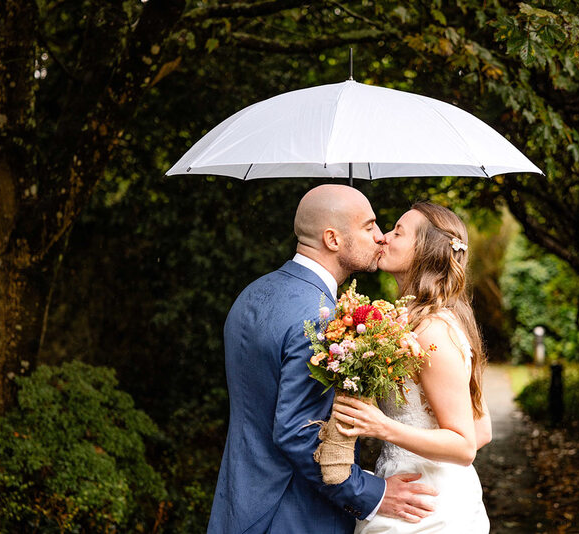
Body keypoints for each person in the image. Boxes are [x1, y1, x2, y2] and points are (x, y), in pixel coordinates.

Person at [207, 185, 437, 534]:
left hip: (238, 504)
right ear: (332, 239)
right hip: (295, 514)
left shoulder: (252, 294)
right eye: (368, 226)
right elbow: (299, 433)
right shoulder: (320, 318)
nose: (380, 237)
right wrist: (371, 494)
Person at [332, 201, 492, 533]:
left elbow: (465, 445)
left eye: (398, 231)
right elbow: (482, 429)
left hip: (429, 508)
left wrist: (383, 427)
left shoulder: (433, 329)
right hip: (413, 489)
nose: (384, 238)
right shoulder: (409, 322)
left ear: (424, 250)